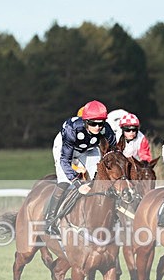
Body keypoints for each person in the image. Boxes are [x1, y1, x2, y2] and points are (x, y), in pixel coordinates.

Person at [45, 100, 117, 237]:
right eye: (93, 123)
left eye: (100, 123)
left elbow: (113, 155)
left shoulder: (106, 130)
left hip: (88, 150)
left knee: (98, 180)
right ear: (85, 121)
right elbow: (65, 161)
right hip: (65, 148)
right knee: (64, 181)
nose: (97, 127)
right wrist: (77, 184)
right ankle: (50, 220)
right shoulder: (72, 129)